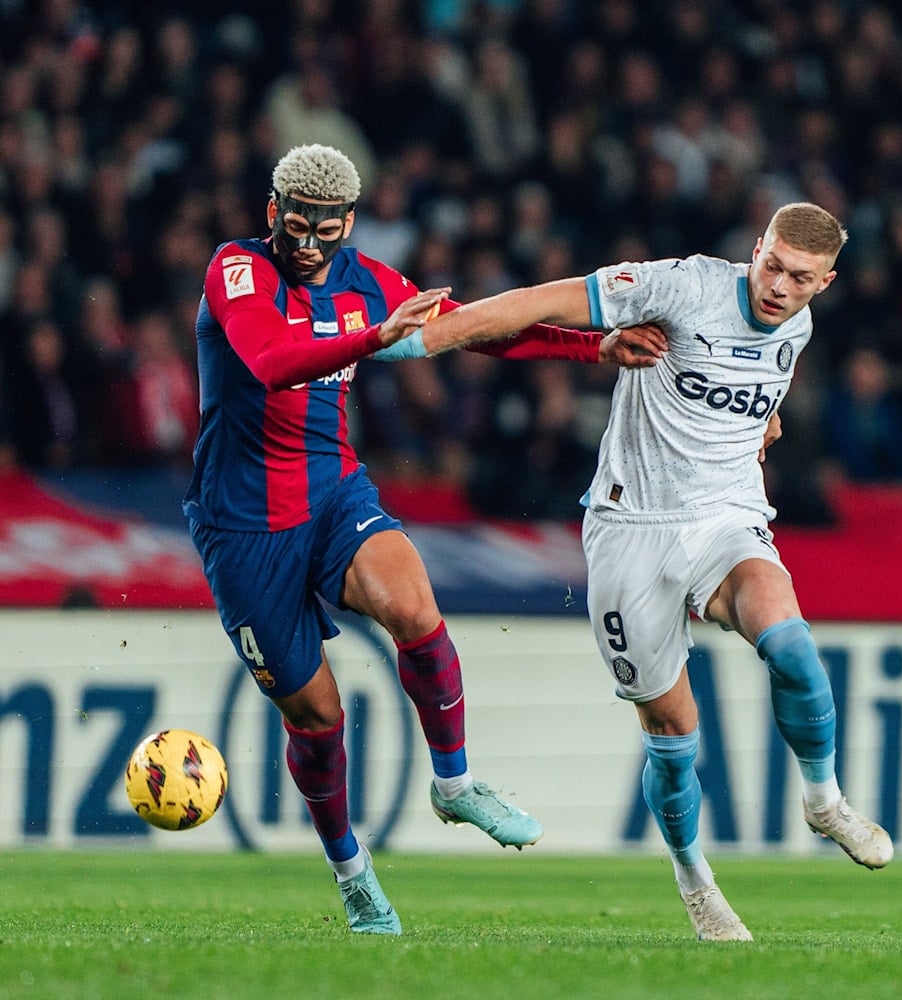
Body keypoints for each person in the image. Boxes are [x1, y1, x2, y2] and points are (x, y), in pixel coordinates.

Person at [183, 143, 664, 936]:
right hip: (243, 527)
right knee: (318, 718)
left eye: (325, 231)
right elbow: (269, 362)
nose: (307, 244)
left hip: (334, 492)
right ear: (273, 214)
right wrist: (376, 341)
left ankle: (454, 783)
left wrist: (594, 348)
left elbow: (477, 331)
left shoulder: (370, 281)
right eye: (295, 226)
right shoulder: (238, 270)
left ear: (348, 225)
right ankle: (352, 872)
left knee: (413, 603)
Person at [418, 202, 894, 941]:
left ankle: (825, 800)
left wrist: (762, 422)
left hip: (725, 519)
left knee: (793, 646)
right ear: (756, 248)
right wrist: (431, 335)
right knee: (675, 736)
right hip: (628, 529)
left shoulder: (795, 327)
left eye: (799, 279)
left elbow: (762, 384)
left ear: (823, 283)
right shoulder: (682, 287)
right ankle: (693, 877)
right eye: (770, 264)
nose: (777, 287)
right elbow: (541, 302)